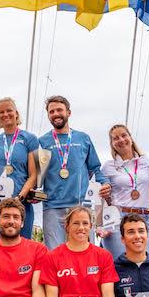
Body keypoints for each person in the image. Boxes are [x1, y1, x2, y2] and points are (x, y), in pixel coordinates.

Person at [38, 96, 110, 250]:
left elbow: (95, 168)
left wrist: (105, 183)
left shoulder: (83, 138)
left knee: (83, 254)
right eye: (51, 111)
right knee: (55, 255)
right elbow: (37, 174)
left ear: (68, 113)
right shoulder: (42, 141)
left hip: (80, 206)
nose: (56, 114)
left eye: (59, 110)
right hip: (52, 207)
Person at [0, 97, 39, 241]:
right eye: (1, 112)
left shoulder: (30, 139)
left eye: (9, 110)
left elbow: (34, 175)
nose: (5, 114)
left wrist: (19, 198)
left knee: (22, 246)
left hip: (19, 200)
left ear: (16, 113)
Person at [100, 125, 149, 259]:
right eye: (115, 138)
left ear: (131, 138)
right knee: (120, 265)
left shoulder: (146, 162)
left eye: (124, 135)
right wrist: (100, 225)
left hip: (143, 218)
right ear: (112, 144)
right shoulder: (108, 166)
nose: (121, 140)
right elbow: (100, 198)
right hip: (117, 219)